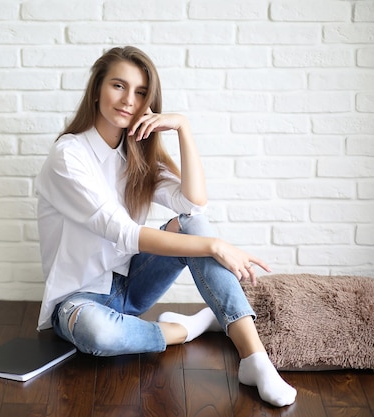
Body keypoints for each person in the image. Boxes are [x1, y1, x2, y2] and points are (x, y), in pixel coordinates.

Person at [34, 46, 296, 407]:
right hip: (78, 301)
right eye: (118, 86)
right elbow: (122, 231)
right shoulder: (69, 155)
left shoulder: (134, 154)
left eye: (141, 92)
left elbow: (193, 204)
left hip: (130, 286)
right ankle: (187, 328)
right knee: (98, 334)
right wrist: (214, 246)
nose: (129, 100)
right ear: (97, 90)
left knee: (193, 224)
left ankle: (254, 359)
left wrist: (183, 128)